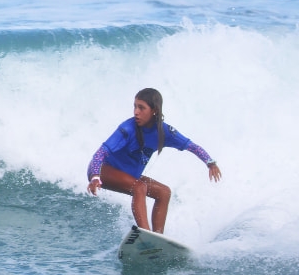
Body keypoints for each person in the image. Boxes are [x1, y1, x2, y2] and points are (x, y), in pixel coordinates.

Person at [86, 88, 222, 233]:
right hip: (102, 171)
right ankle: (145, 234)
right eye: (135, 106)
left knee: (163, 192)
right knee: (139, 187)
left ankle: (157, 239)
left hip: (130, 176)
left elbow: (192, 146)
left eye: (141, 108)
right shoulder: (127, 129)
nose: (136, 112)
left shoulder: (165, 132)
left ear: (154, 110)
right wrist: (95, 176)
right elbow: (99, 154)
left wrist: (210, 163)